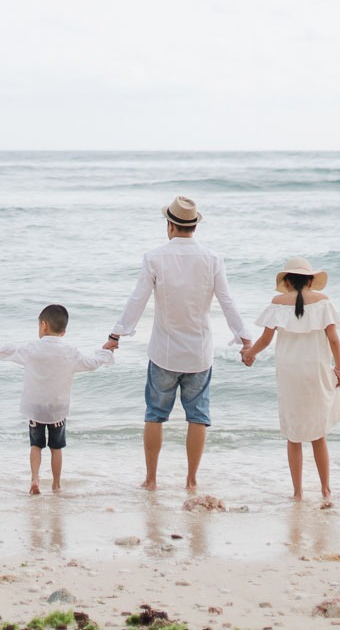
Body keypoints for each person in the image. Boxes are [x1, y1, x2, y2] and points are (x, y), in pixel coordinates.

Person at [103, 194, 252, 492]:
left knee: (155, 416)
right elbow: (227, 302)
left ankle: (151, 479)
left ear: (170, 225)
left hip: (164, 353)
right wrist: (244, 338)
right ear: (194, 226)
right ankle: (191, 480)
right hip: (199, 353)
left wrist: (116, 335)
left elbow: (138, 299)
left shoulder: (155, 257)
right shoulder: (212, 259)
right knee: (197, 416)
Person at [240, 256, 340, 503]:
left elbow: (265, 340)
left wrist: (249, 355)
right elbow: (333, 339)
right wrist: (339, 368)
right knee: (319, 433)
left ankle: (297, 493)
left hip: (289, 372)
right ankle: (325, 490)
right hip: (316, 369)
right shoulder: (323, 302)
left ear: (286, 281)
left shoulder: (277, 303)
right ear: (310, 281)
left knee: (294, 434)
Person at [0, 303, 113, 494]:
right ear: (64, 331)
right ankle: (56, 484)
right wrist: (106, 352)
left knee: (35, 445)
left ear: (44, 325)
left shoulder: (32, 348)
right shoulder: (71, 351)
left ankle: (35, 480)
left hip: (36, 408)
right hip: (57, 409)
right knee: (56, 448)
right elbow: (91, 363)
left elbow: (12, 351)